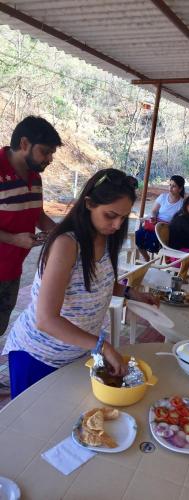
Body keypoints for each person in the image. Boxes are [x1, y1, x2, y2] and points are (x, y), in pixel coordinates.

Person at [2, 168, 158, 399]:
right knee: (33, 429)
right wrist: (102, 346)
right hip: (39, 355)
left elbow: (99, 281)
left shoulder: (105, 238)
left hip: (77, 354)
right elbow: (46, 319)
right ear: (88, 203)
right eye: (111, 215)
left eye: (124, 217)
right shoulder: (66, 244)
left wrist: (129, 292)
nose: (117, 225)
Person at [0, 116, 62, 394]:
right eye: (45, 151)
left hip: (11, 271)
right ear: (24, 143)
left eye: (51, 153)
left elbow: (35, 212)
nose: (49, 158)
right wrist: (13, 238)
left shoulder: (35, 177)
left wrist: (60, 233)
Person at [135, 175, 185, 261]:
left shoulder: (182, 203)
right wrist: (153, 217)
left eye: (174, 186)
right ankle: (147, 258)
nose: (170, 188)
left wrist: (165, 224)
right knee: (138, 235)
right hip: (155, 223)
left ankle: (164, 258)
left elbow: (178, 222)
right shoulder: (163, 197)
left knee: (156, 239)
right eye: (170, 185)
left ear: (180, 189)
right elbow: (154, 211)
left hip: (167, 228)